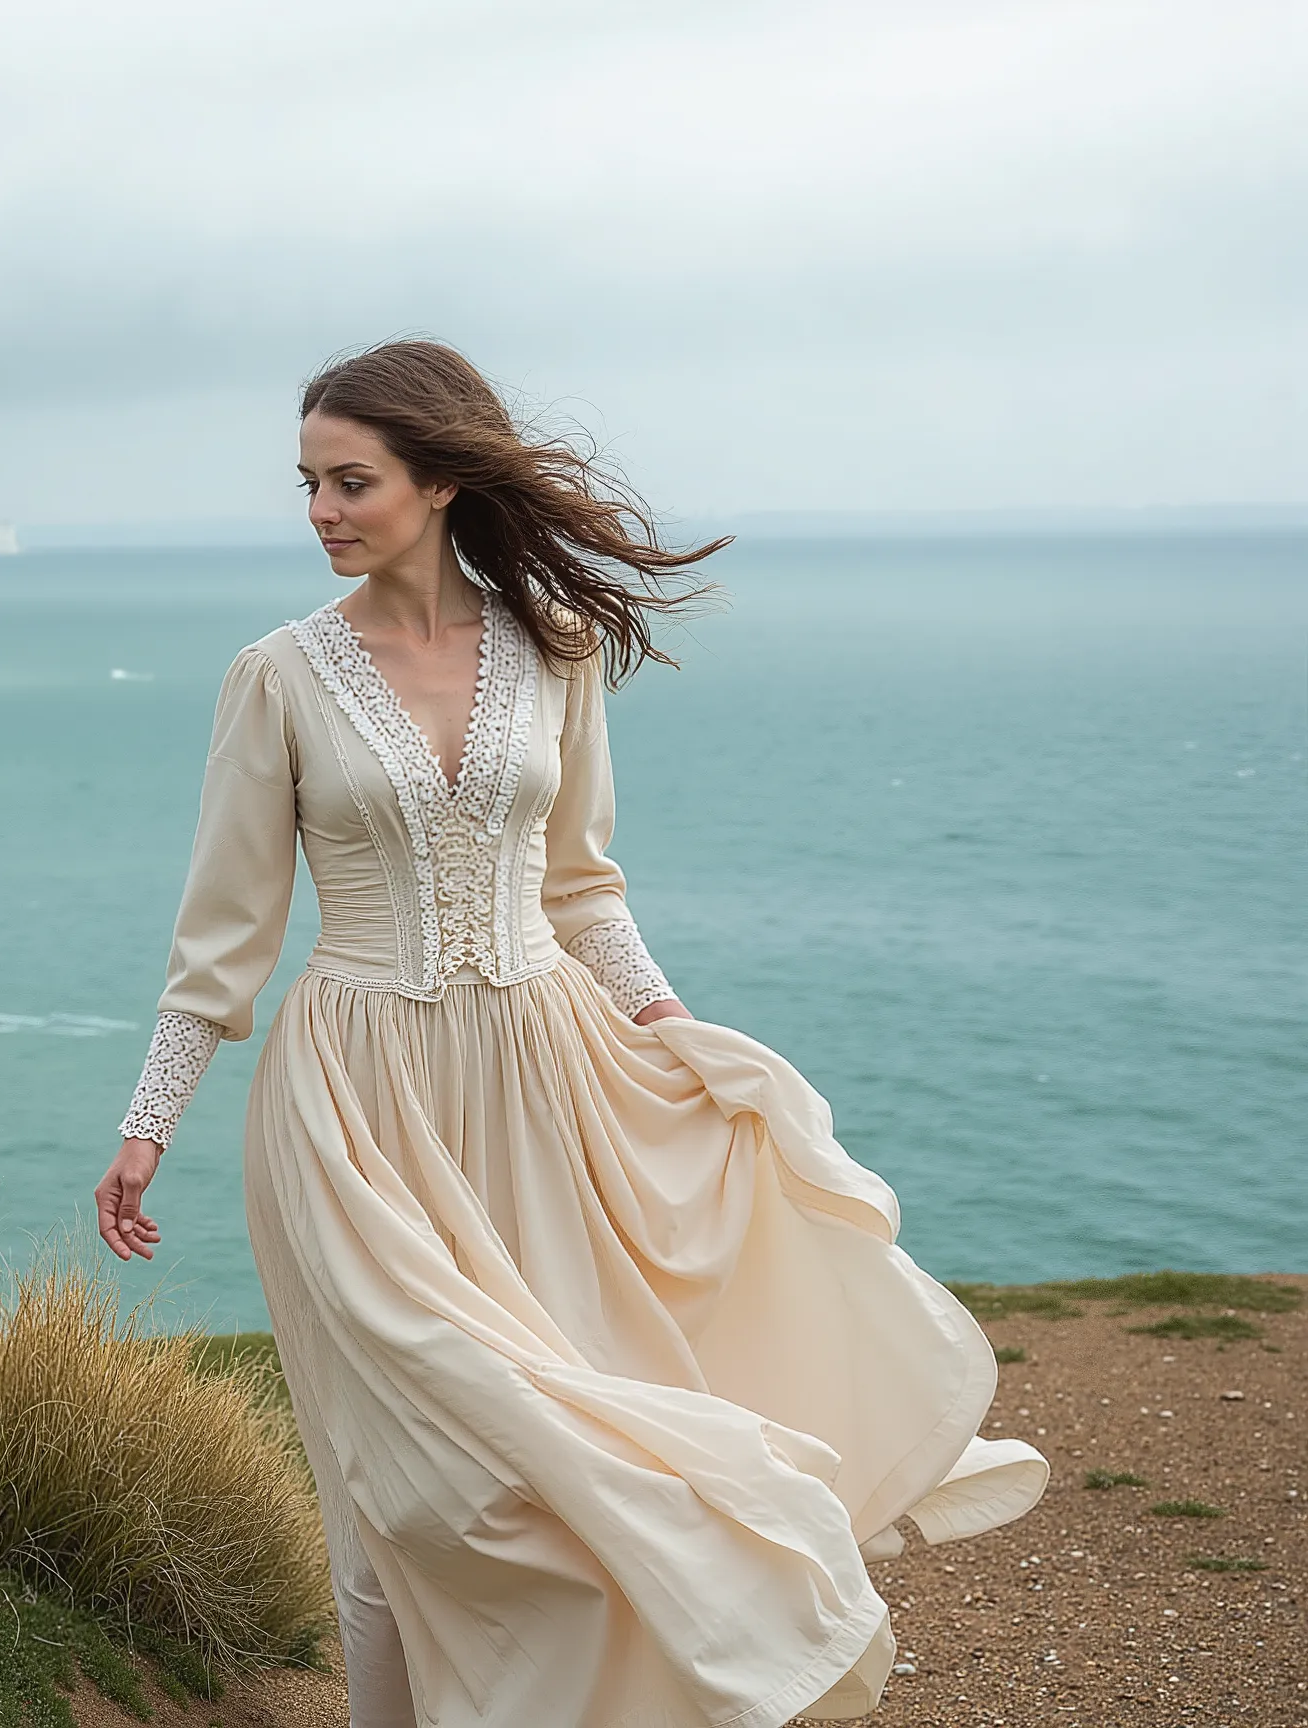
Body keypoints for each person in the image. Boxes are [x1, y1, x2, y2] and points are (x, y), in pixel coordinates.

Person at [93, 340, 1043, 1728]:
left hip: (551, 1078)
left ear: (439, 481)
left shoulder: (556, 648)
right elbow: (225, 925)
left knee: (572, 1438)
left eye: (350, 481)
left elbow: (583, 886)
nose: (321, 511)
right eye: (307, 484)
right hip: (356, 1102)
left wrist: (667, 1027)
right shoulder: (278, 676)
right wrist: (149, 1120)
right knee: (408, 1491)